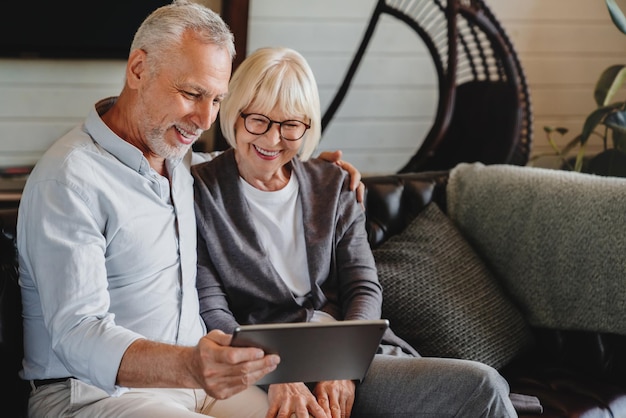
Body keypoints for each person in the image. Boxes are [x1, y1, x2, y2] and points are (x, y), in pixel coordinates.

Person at [16, 2, 364, 417]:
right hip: (98, 395)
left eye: (216, 99)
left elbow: (251, 156)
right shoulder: (69, 180)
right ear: (138, 69)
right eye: (192, 93)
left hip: (196, 385)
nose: (203, 119)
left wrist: (317, 171)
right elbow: (77, 334)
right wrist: (191, 366)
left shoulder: (177, 156)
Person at [192, 46, 518, 418]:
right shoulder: (200, 192)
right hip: (269, 363)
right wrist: (275, 372)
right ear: (234, 114)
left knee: (483, 386)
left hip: (355, 360)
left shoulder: (333, 183)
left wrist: (343, 367)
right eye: (258, 120)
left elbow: (363, 285)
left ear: (308, 127)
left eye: (290, 125)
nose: (272, 140)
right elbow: (212, 308)